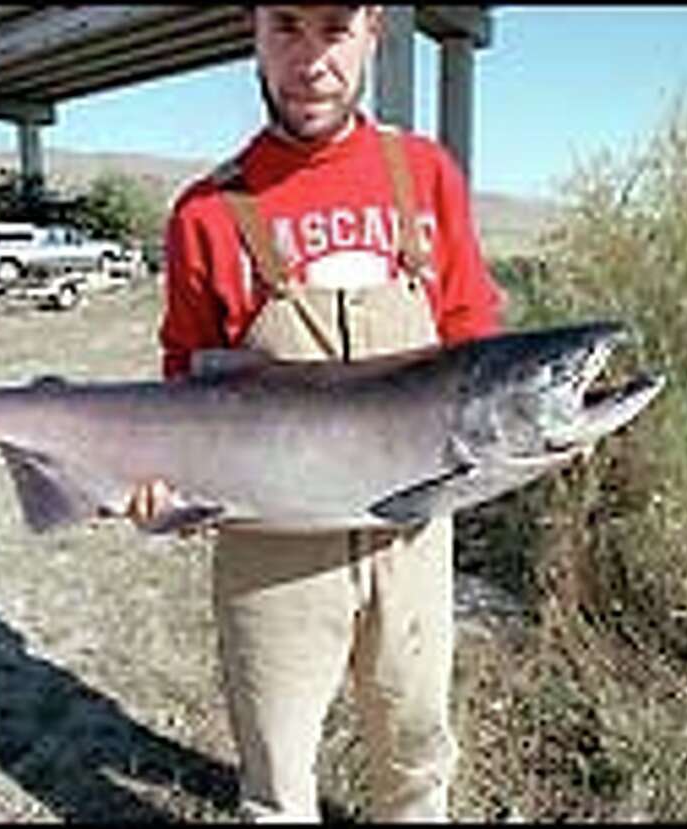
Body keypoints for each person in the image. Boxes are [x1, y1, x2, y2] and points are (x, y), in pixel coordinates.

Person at [130, 5, 503, 821]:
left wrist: (545, 434)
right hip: (270, 553)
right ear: (253, 33)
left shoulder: (428, 176)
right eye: (287, 27)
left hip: (413, 538)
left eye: (334, 28)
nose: (311, 60)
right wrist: (159, 486)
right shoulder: (205, 213)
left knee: (417, 766)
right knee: (277, 787)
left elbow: (479, 347)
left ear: (374, 30)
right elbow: (180, 392)